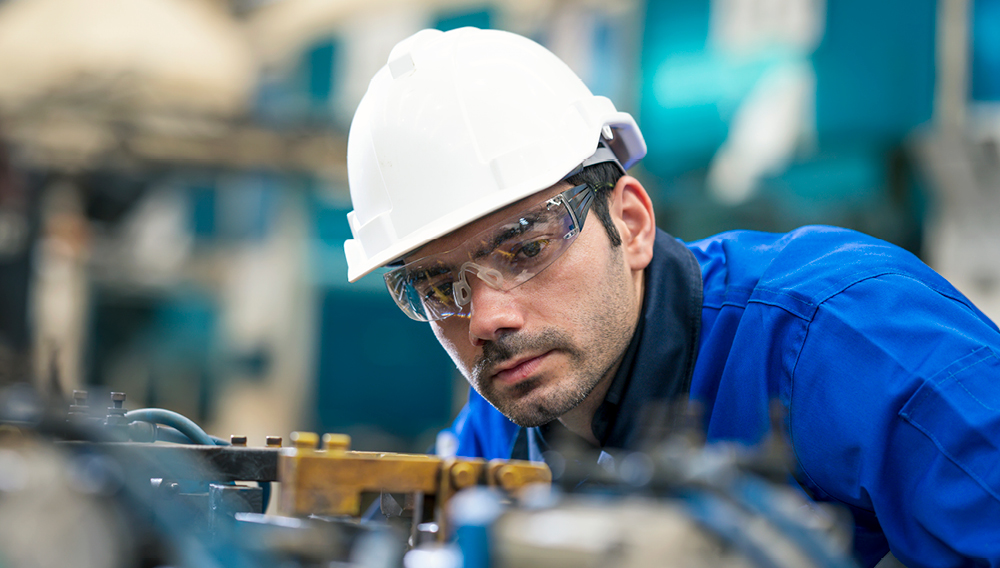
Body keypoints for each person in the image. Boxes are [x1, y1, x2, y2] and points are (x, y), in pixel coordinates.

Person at [343, 27, 1000, 568]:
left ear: (630, 223)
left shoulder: (852, 338)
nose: (486, 320)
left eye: (525, 249)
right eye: (437, 289)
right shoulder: (509, 415)